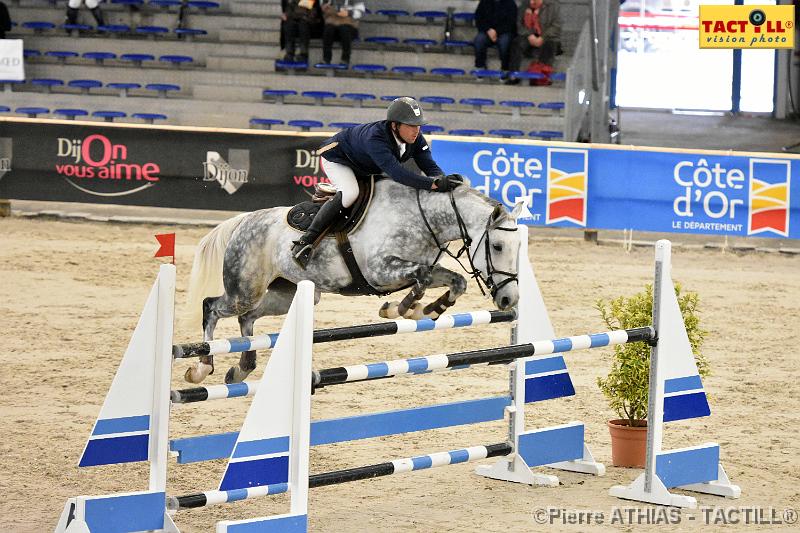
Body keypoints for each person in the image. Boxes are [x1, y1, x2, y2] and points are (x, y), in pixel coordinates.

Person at [290, 97, 463, 268]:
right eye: (410, 125)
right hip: (337, 158)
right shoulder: (376, 138)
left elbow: (430, 166)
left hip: (364, 165)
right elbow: (398, 174)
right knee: (351, 193)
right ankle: (305, 242)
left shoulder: (416, 139)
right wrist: (433, 185)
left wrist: (442, 180)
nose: (416, 130)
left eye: (418, 125)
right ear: (394, 125)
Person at [507, 0, 562, 80]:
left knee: (549, 45)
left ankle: (543, 75)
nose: (532, 2)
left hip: (546, 36)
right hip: (528, 35)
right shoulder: (524, 6)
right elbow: (519, 24)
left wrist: (542, 37)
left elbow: (556, 26)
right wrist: (529, 35)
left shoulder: (553, 7)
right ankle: (514, 74)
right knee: (516, 44)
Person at [473, 0, 517, 73]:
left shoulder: (510, 3)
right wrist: (488, 30)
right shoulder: (484, 2)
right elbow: (478, 19)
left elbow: (511, 23)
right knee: (479, 40)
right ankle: (480, 66)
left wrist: (496, 31)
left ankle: (505, 68)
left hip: (504, 32)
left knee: (505, 42)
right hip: (487, 31)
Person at [321, 0, 361, 66]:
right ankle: (326, 58)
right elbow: (325, 12)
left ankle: (345, 59)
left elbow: (359, 13)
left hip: (349, 26)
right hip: (333, 25)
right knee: (328, 30)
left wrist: (347, 13)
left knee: (344, 29)